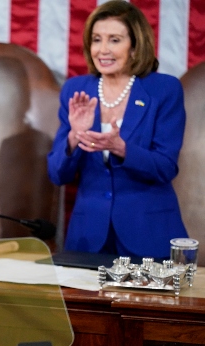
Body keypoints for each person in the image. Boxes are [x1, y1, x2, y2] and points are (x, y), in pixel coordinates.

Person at [47, 0, 188, 259]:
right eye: (97, 39)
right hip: (88, 238)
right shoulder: (76, 90)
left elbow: (166, 167)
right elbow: (58, 174)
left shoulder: (163, 90)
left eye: (114, 40)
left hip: (147, 235)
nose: (103, 50)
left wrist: (121, 148)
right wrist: (74, 136)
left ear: (135, 46)